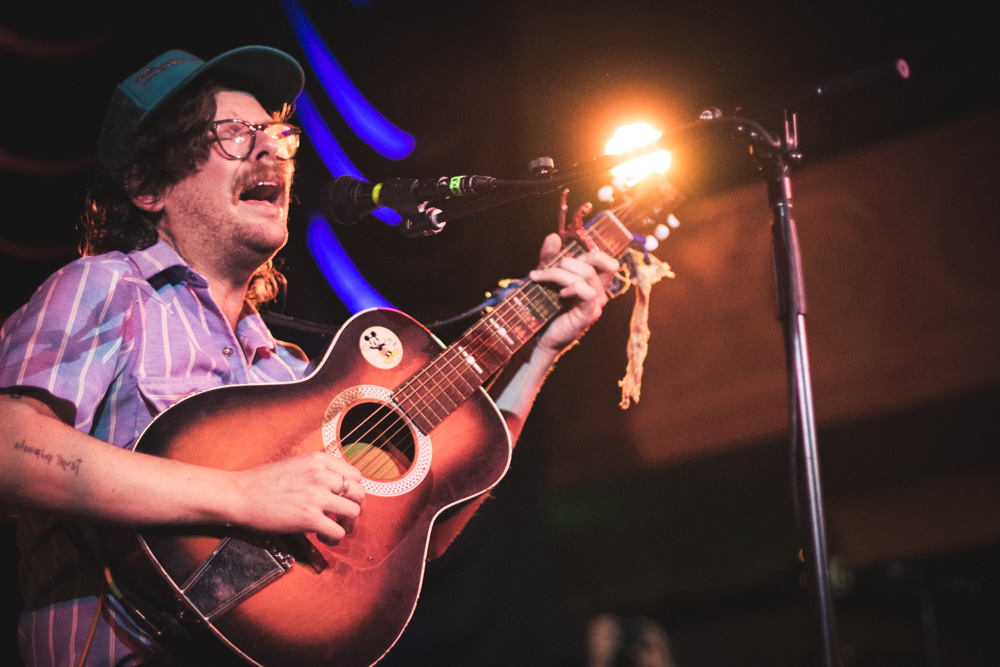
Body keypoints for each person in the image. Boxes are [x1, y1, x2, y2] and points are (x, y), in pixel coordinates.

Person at [0, 45, 619, 666]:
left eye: (279, 133)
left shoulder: (289, 372)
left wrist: (539, 352)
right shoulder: (107, 288)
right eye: (236, 134)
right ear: (148, 184)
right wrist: (239, 494)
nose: (272, 148)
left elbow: (407, 537)